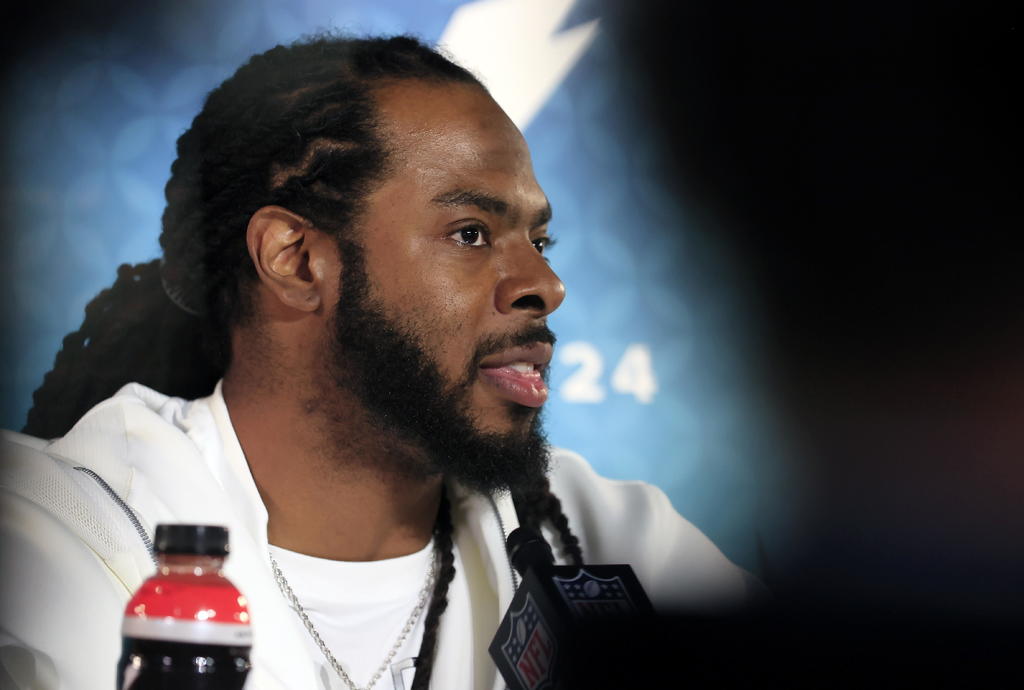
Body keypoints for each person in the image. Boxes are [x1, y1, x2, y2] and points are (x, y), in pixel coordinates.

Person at [0, 35, 759, 689]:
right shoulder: (49, 547)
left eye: (540, 240)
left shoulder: (603, 535)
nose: (546, 285)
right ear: (296, 259)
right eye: (470, 233)